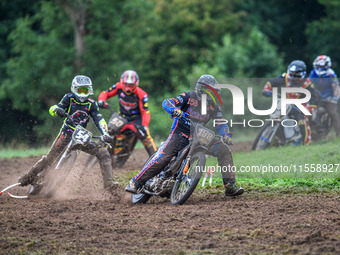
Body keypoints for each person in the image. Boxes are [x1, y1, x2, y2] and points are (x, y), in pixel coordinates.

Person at [125, 74, 244, 197]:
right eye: (211, 91)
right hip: (180, 133)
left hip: (199, 135)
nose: (213, 95)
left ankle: (230, 186)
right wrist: (175, 110)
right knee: (164, 157)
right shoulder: (188, 96)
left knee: (224, 149)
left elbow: (220, 122)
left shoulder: (214, 106)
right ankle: (135, 182)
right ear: (201, 89)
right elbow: (167, 102)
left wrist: (226, 135)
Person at [18, 75, 118, 195]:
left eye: (85, 90)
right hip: (66, 133)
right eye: (80, 90)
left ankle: (109, 183)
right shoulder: (68, 98)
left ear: (89, 90)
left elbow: (99, 119)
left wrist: (105, 133)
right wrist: (57, 110)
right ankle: (27, 177)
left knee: (103, 152)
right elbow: (54, 108)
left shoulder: (92, 104)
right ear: (74, 89)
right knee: (50, 158)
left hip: (81, 137)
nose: (82, 93)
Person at [97, 70, 157, 157]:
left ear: (136, 83)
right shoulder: (118, 87)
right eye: (125, 84)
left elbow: (145, 112)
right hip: (122, 116)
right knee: (108, 130)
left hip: (136, 120)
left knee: (146, 137)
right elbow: (106, 93)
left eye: (131, 85)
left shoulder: (141, 94)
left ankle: (156, 158)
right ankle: (98, 149)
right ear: (122, 82)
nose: (128, 87)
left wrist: (144, 125)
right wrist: (101, 100)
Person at [263, 60, 317, 145]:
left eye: (296, 74)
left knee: (303, 122)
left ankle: (307, 142)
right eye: (291, 73)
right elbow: (271, 82)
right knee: (275, 114)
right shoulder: (286, 77)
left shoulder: (308, 83)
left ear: (302, 73)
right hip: (286, 103)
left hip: (300, 107)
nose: (293, 76)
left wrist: (311, 108)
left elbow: (314, 98)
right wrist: (266, 90)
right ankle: (276, 138)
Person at [309, 55, 340, 136]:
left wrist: (334, 98)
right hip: (318, 98)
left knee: (332, 112)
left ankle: (338, 132)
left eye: (321, 67)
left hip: (330, 98)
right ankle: (313, 131)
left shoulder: (331, 74)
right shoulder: (313, 73)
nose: (319, 68)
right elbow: (309, 85)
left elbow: (336, 88)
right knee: (311, 111)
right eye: (318, 66)